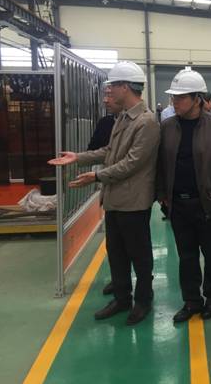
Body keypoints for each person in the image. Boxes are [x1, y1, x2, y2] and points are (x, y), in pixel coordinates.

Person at [48, 61, 160, 326]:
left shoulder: (146, 122)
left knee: (139, 255)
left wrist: (97, 176)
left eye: (112, 87)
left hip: (133, 201)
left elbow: (132, 163)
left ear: (125, 87)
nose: (108, 92)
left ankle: (143, 300)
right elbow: (109, 151)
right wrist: (78, 158)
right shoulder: (123, 117)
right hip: (114, 199)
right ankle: (122, 298)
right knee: (116, 252)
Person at [157, 70, 211, 322]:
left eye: (181, 97)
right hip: (178, 206)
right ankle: (192, 301)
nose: (175, 102)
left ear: (197, 99)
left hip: (209, 205)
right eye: (173, 97)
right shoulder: (167, 127)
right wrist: (163, 195)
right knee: (187, 257)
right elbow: (160, 164)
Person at [88, 84, 123, 296]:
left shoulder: (141, 123)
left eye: (110, 95)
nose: (105, 100)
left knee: (136, 246)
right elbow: (95, 148)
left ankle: (143, 287)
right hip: (110, 188)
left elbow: (133, 161)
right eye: (105, 95)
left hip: (131, 193)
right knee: (114, 243)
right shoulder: (105, 123)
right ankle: (119, 280)